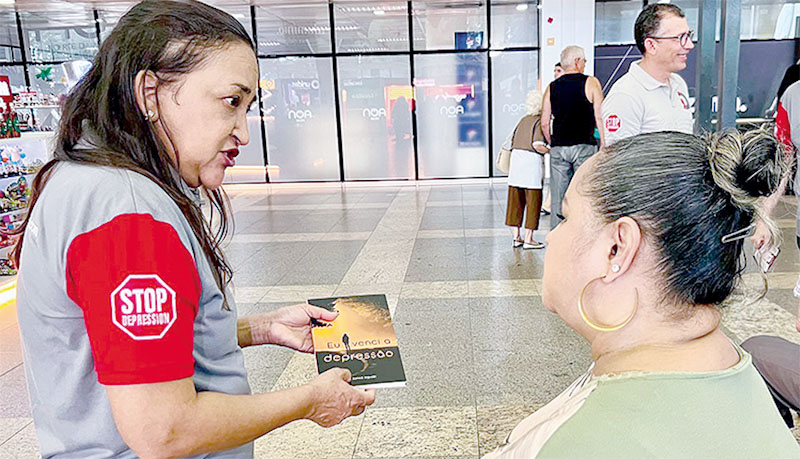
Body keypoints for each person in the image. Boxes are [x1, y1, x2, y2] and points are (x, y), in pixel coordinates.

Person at [11, 2, 375, 457]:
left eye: (248, 106)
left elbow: (113, 341)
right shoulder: (129, 215)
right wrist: (309, 401)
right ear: (150, 93)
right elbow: (166, 430)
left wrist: (257, 328)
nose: (244, 131)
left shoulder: (83, 178)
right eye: (230, 102)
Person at [485, 129, 800, 457]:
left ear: (617, 249)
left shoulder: (588, 445)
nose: (551, 238)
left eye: (565, 217)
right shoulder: (727, 366)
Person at [601, 4, 694, 145]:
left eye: (688, 35)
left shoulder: (678, 84)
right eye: (680, 37)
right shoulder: (625, 95)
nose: (689, 45)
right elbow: (619, 163)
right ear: (651, 45)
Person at [541, 45, 604, 228]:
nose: (584, 64)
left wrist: (553, 142)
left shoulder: (552, 87)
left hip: (559, 147)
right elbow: (600, 116)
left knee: (558, 199)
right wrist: (604, 145)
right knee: (583, 194)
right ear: (577, 61)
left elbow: (545, 121)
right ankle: (583, 236)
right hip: (584, 146)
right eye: (584, 61)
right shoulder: (590, 82)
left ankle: (556, 237)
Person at [504, 90, 549, 249]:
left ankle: (517, 237)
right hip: (531, 163)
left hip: (516, 162)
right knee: (533, 200)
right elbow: (537, 145)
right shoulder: (538, 121)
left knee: (515, 200)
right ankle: (529, 239)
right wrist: (551, 150)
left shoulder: (522, 120)